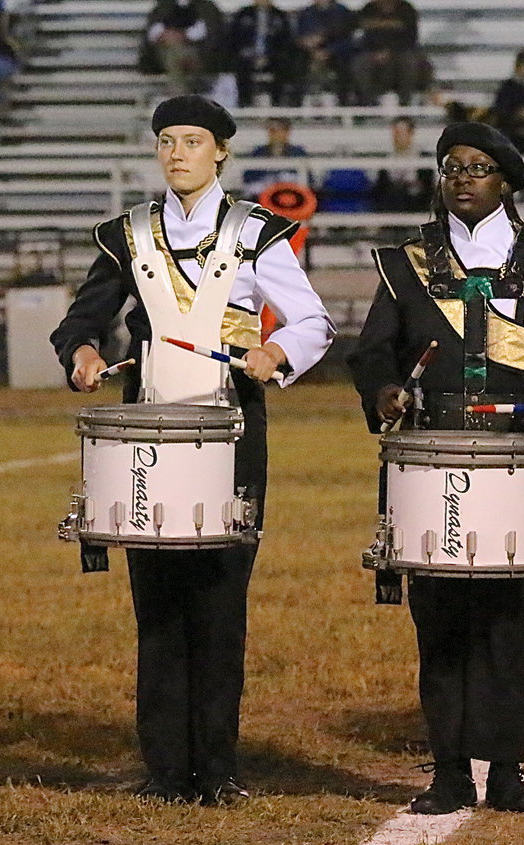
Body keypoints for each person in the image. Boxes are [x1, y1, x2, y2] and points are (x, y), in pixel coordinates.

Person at [49, 95, 334, 805]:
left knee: (219, 598)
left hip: (232, 429)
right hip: (147, 435)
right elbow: (82, 320)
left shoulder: (259, 233)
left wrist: (276, 348)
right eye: (167, 141)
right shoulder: (130, 233)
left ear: (222, 152)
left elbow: (313, 320)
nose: (178, 153)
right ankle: (166, 768)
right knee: (156, 601)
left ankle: (219, 764)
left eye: (193, 141)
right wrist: (83, 352)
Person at [348, 122, 524, 814]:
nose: (462, 178)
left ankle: (505, 766)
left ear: (506, 181)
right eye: (451, 168)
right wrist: (382, 390)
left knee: (513, 615)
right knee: (439, 617)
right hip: (430, 455)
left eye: (478, 167)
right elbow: (373, 351)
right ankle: (447, 769)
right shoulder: (407, 260)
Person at [349, 0, 432, 106]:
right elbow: (362, 34)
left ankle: (405, 102)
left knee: (409, 62)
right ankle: (367, 102)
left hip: (401, 51)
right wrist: (376, 52)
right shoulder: (368, 9)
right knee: (360, 63)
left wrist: (390, 51)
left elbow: (410, 38)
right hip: (373, 52)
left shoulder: (406, 9)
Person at [229, 0, 301, 107]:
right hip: (247, 56)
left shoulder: (279, 15)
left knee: (283, 65)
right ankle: (245, 102)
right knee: (240, 67)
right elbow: (233, 39)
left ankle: (276, 103)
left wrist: (269, 56)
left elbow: (286, 42)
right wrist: (249, 54)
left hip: (272, 57)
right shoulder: (243, 14)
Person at [370, 115, 433, 213]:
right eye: (395, 133)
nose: (396, 137)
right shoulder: (386, 160)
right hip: (392, 203)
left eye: (400, 133)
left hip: (417, 202)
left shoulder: (424, 158)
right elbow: (380, 189)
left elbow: (428, 187)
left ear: (411, 134)